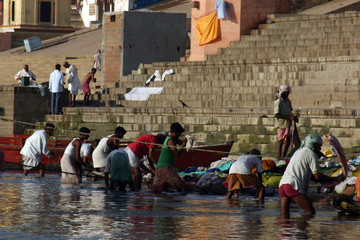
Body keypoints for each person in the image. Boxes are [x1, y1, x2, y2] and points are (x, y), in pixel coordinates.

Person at [279, 134, 346, 216]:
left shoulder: (298, 152)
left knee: (284, 214)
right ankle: (300, 228)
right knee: (310, 212)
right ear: (313, 144)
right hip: (294, 185)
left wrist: (328, 182)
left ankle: (285, 229)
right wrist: (334, 179)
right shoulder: (311, 154)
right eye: (319, 146)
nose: (320, 148)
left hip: (283, 185)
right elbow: (317, 176)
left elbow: (311, 177)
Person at [152, 122, 187, 195]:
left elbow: (181, 142)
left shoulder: (172, 139)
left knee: (156, 191)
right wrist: (183, 144)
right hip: (165, 168)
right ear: (175, 132)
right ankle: (181, 205)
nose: (180, 135)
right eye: (179, 133)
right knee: (182, 187)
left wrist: (186, 142)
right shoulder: (170, 141)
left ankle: (165, 205)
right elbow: (177, 154)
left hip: (159, 168)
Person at [274, 84, 298, 159]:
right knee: (280, 141)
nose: (288, 94)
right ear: (283, 92)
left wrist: (294, 117)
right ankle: (279, 157)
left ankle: (283, 157)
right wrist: (288, 117)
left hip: (287, 123)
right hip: (281, 124)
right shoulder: (278, 102)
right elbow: (276, 114)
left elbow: (289, 112)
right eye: (287, 92)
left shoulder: (288, 101)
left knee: (287, 140)